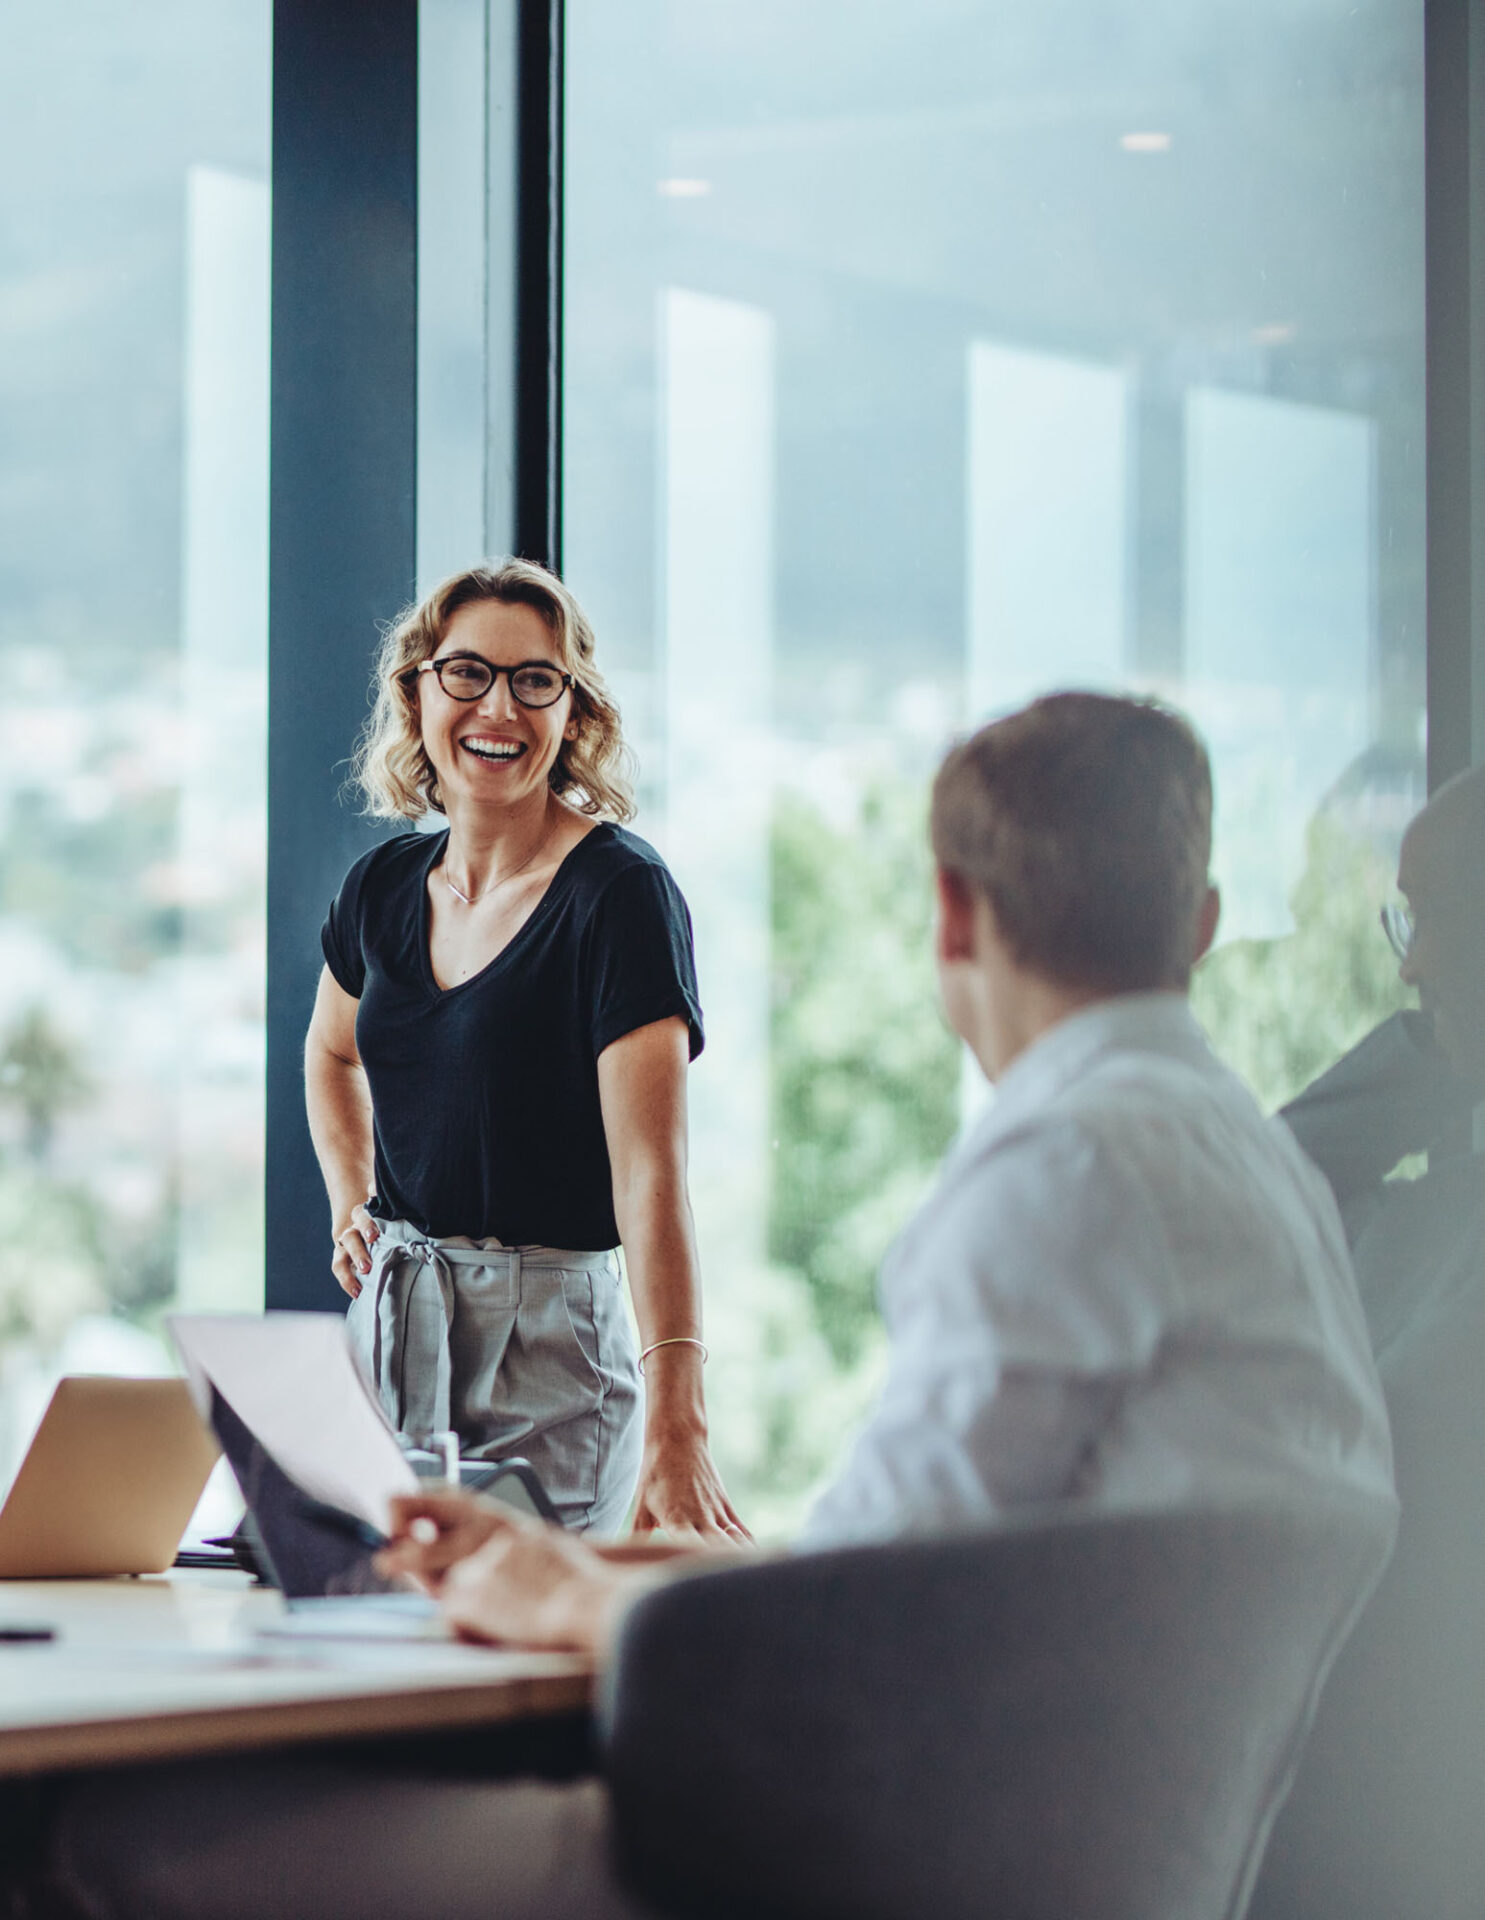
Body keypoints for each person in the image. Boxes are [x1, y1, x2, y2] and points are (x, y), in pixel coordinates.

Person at [38, 693, 1395, 1920]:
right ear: (1203, 922)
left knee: (106, 1834)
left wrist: (569, 1600)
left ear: (953, 916)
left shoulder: (1063, 1168)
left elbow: (851, 1636)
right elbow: (926, 1563)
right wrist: (583, 1568)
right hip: (1066, 1855)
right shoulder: (1256, 1169)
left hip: (836, 1862)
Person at [304, 558, 743, 1540]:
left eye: (533, 680)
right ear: (417, 692)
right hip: (390, 1328)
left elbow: (651, 1176)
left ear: (574, 712)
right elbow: (332, 1056)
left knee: (522, 1669)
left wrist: (681, 1421)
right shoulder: (380, 888)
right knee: (381, 1651)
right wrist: (349, 1202)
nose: (496, 706)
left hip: (548, 1351)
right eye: (466, 673)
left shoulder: (619, 897)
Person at [1249, 763, 1485, 1920]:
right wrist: (1425, 1052)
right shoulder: (1436, 1191)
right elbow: (1254, 1205)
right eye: (1410, 919)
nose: (1412, 962)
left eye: (1446, 915)